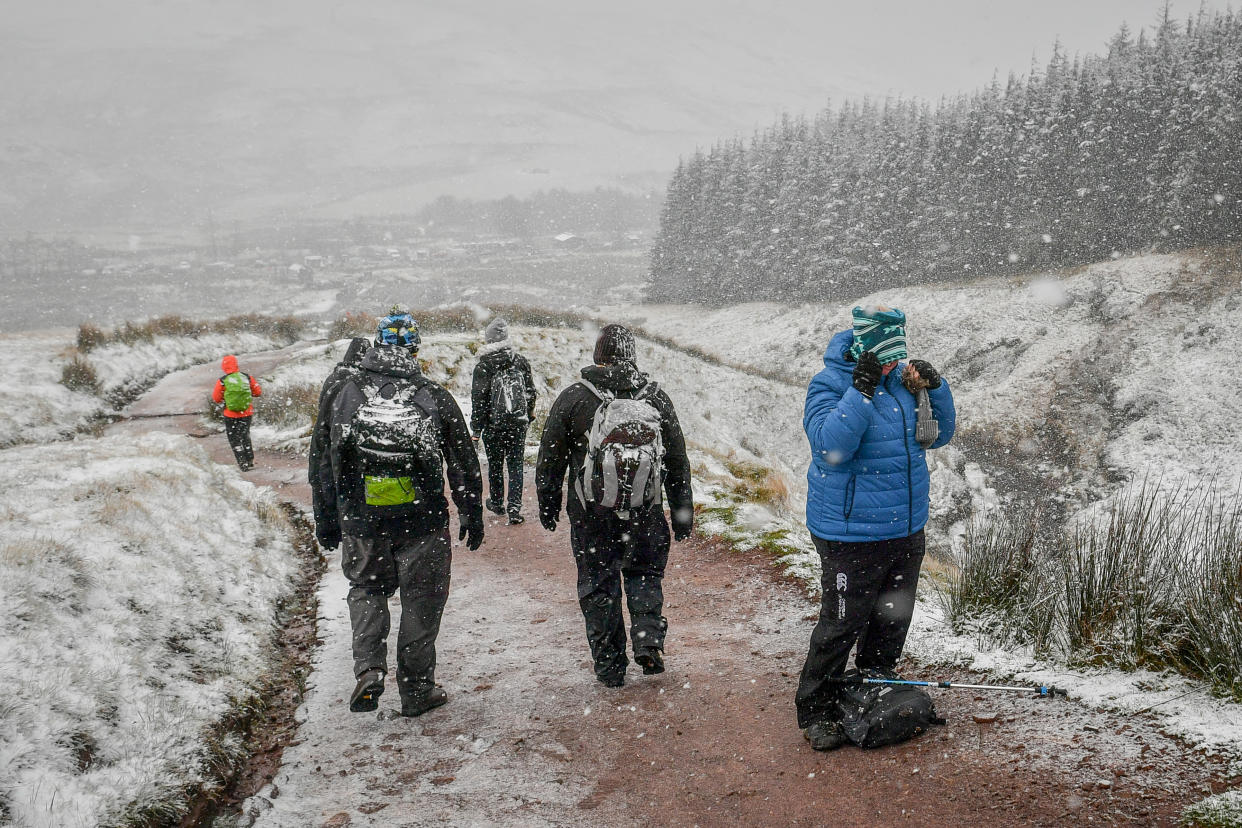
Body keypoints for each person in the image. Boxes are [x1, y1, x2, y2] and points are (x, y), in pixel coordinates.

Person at [796, 305, 956, 751]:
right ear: (866, 348)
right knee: (842, 624)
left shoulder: (905, 385)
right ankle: (816, 710)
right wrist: (860, 390)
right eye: (886, 356)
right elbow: (831, 447)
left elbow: (937, 436)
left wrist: (935, 390)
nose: (893, 364)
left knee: (892, 617)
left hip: (906, 525)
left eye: (897, 355)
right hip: (849, 531)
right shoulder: (829, 383)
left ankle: (872, 686)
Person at [310, 309, 484, 717]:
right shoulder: (432, 394)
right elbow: (462, 459)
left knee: (368, 591)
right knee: (421, 600)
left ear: (377, 344)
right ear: (414, 348)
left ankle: (369, 669)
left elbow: (321, 459)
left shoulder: (343, 392)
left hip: (361, 520)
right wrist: (471, 512)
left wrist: (327, 518)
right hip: (422, 521)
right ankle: (417, 689)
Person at [535, 324, 693, 687]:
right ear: (632, 357)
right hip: (646, 512)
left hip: (593, 516)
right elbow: (678, 460)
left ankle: (609, 666)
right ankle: (648, 639)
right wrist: (682, 512)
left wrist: (548, 505)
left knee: (598, 586)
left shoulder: (575, 397)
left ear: (597, 356)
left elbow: (550, 458)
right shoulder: (656, 399)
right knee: (644, 574)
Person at [470, 318, 537, 524]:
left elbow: (479, 400)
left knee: (495, 464)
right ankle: (515, 507)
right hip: (518, 422)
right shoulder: (520, 361)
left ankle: (498, 502)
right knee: (516, 464)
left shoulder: (483, 366)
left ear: (488, 340)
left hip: (494, 424)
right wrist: (530, 413)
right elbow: (530, 392)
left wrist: (476, 429)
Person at [308, 337, 370, 534]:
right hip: (349, 452)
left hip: (329, 439)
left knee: (329, 475)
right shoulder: (359, 383)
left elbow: (323, 415)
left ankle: (334, 518)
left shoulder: (334, 378)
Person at [212, 354, 262, 471]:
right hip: (246, 413)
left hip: (230, 415)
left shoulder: (223, 381)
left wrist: (227, 398)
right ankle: (249, 459)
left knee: (234, 438)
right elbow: (258, 392)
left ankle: (242, 462)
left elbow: (216, 398)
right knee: (245, 435)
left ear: (224, 367)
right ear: (236, 365)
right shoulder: (247, 377)